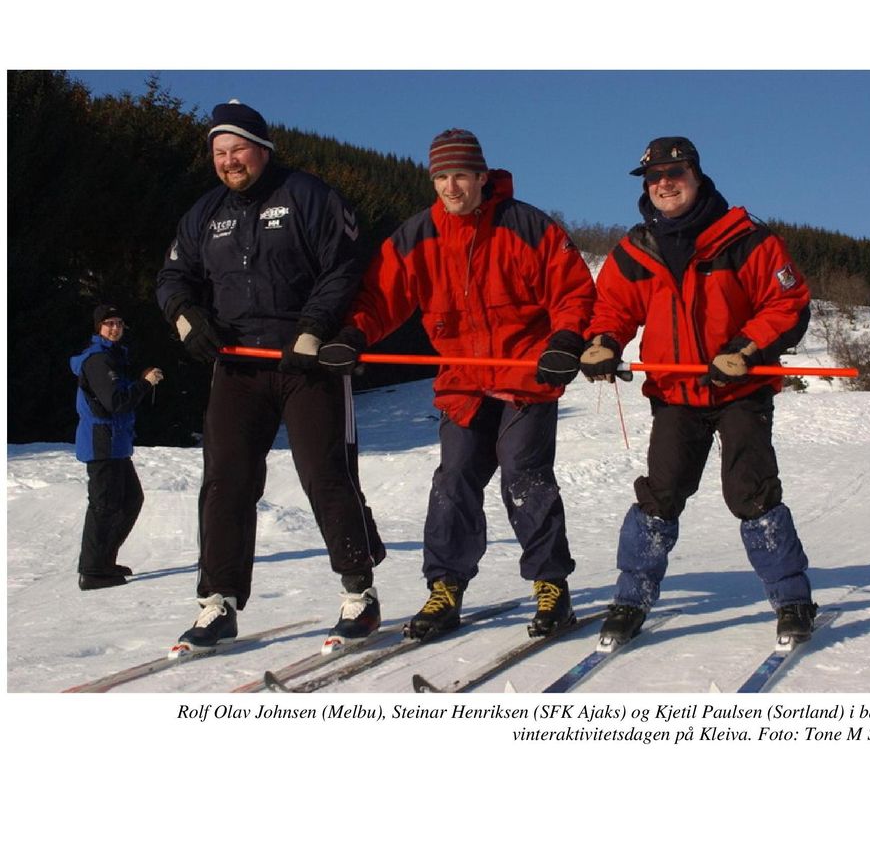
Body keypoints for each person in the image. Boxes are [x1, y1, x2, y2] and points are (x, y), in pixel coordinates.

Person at [311, 127, 596, 640]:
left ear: (483, 177)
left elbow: (572, 288)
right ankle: (445, 588)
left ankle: (551, 586)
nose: (450, 186)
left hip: (524, 377)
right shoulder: (418, 235)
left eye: (460, 175)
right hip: (464, 382)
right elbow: (381, 297)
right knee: (453, 479)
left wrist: (566, 339)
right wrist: (355, 333)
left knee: (522, 475)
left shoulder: (527, 226)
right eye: (440, 177)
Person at [156, 101, 385, 652]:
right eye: (220, 152)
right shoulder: (204, 213)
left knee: (324, 471)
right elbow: (172, 276)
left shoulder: (308, 195)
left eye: (238, 149)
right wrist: (186, 317)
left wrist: (313, 327)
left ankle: (359, 591)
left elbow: (345, 265)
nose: (230, 161)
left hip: (305, 360)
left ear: (263, 150)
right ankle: (218, 602)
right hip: (237, 364)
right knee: (226, 478)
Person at [581, 136, 817, 646]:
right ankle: (630, 599)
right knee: (660, 495)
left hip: (739, 389)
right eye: (654, 177)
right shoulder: (634, 249)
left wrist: (745, 349)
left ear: (696, 175)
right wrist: (602, 342)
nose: (665, 183)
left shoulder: (745, 237)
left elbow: (788, 302)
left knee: (750, 493)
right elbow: (613, 310)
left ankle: (792, 598)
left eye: (675, 172)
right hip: (674, 391)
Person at [70, 304, 163, 589]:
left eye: (119, 323)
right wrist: (145, 384)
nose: (114, 328)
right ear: (98, 327)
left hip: (116, 444)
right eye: (108, 323)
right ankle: (92, 570)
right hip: (102, 443)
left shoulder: (113, 356)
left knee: (130, 500)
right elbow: (116, 402)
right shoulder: (97, 360)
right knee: (104, 506)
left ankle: (103, 561)